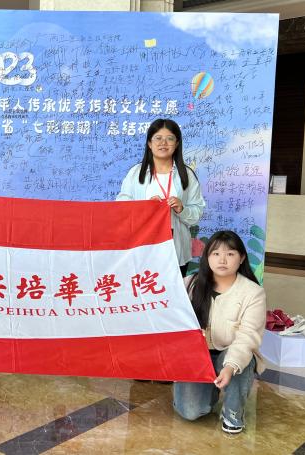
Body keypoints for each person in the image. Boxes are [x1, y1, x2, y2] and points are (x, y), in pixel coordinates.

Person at [173, 230, 266, 434]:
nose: (222, 260)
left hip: (232, 352)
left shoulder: (253, 293)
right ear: (207, 257)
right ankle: (209, 392)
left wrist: (230, 367)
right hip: (198, 354)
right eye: (215, 254)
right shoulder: (190, 284)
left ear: (241, 258)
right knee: (190, 411)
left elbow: (247, 338)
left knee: (240, 360)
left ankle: (233, 412)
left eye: (230, 254)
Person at [116, 118, 205, 276]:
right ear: (149, 143)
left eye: (170, 138)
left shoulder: (186, 175)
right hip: (143, 246)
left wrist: (182, 209)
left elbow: (197, 213)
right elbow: (120, 207)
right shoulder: (136, 173)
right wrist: (144, 207)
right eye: (158, 138)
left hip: (176, 248)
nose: (163, 143)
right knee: (145, 288)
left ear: (177, 144)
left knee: (174, 290)